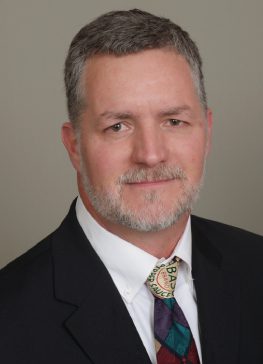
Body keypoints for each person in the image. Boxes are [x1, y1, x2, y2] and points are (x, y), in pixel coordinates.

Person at [0, 8, 262, 364]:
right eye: (118, 126)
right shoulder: (9, 317)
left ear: (207, 131)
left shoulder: (254, 266)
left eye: (174, 120)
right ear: (74, 145)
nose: (151, 155)